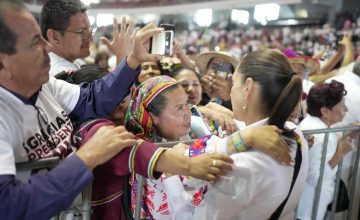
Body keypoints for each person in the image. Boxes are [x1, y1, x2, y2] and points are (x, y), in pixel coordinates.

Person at [0, 1, 171, 219]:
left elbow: (93, 98)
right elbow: (9, 206)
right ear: (2, 64)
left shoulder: (44, 85)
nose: (48, 48)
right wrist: (86, 157)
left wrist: (132, 60)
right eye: (35, 43)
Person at [123, 74, 295, 219]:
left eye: (188, 105)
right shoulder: (151, 158)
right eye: (179, 108)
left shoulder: (186, 135)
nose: (188, 114)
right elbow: (212, 148)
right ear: (153, 116)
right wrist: (246, 137)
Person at [163, 49, 309, 220]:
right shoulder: (294, 132)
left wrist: (172, 177)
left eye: (233, 84)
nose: (230, 92)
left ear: (247, 88)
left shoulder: (241, 165)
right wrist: (205, 109)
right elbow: (229, 139)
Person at [297, 80, 355, 220]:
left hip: (308, 205)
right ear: (324, 111)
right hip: (309, 208)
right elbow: (315, 177)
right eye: (341, 106)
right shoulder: (320, 134)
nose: (345, 110)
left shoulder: (312, 124)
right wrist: (340, 153)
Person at [41, 0, 135, 76]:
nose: (90, 38)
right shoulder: (60, 75)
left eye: (89, 29)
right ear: (54, 37)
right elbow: (115, 98)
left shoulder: (67, 64)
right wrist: (122, 57)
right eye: (81, 31)